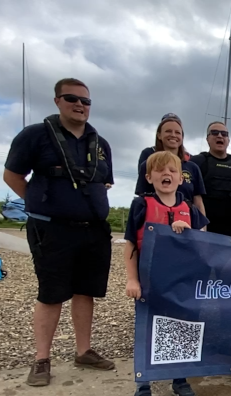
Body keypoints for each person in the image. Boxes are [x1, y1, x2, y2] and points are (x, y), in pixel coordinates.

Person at [4, 78, 115, 387]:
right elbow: (12, 175)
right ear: (57, 101)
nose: (80, 105)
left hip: (93, 230)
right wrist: (40, 202)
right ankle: (41, 360)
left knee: (85, 291)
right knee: (51, 294)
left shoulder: (100, 143)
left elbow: (103, 183)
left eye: (86, 101)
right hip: (52, 229)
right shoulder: (35, 136)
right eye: (72, 98)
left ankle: (84, 351)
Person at [124, 152, 209, 396]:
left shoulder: (190, 209)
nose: (166, 175)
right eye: (160, 171)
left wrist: (189, 232)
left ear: (180, 178)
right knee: (147, 329)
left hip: (181, 283)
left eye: (172, 171)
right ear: (149, 177)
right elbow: (130, 244)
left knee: (182, 329)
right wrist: (132, 279)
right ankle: (144, 382)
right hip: (149, 281)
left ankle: (180, 378)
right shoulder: (141, 205)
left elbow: (204, 245)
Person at [135, 117, 206, 216]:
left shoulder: (193, 167)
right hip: (155, 222)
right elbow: (140, 201)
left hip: (187, 223)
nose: (173, 135)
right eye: (168, 131)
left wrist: (202, 230)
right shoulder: (147, 165)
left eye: (177, 132)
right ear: (159, 135)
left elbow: (198, 202)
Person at [190, 121, 231, 237]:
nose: (220, 136)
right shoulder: (196, 162)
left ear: (228, 140)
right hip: (202, 228)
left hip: (230, 231)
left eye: (224, 134)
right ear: (207, 139)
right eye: (215, 133)